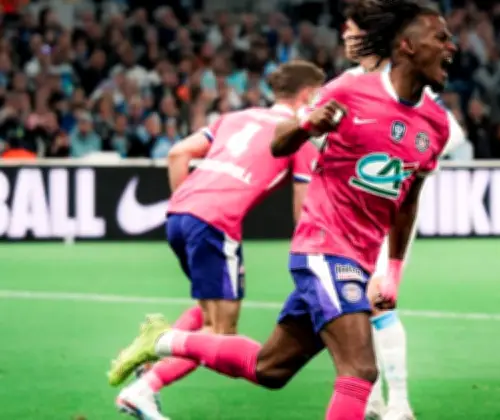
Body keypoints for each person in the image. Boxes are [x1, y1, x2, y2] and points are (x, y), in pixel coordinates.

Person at [107, 2, 456, 419]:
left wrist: (394, 269)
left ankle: (163, 340)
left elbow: (408, 198)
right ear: (407, 46)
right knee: (360, 369)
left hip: (360, 258)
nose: (451, 47)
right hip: (325, 248)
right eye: (441, 38)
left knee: (269, 368)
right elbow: (280, 142)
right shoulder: (350, 89)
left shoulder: (437, 124)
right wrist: (308, 125)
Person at [112, 60, 325, 420]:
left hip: (179, 216)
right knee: (220, 333)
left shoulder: (236, 117)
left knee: (206, 311)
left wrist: (189, 205)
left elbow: (178, 153)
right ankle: (144, 388)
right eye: (319, 95)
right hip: (215, 223)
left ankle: (150, 365)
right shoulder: (299, 135)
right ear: (306, 95)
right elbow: (303, 208)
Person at [335, 3, 468, 418]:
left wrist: (400, 157)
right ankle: (373, 399)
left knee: (378, 301)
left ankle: (400, 402)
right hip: (348, 213)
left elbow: (453, 133)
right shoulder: (350, 83)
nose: (344, 36)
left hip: (388, 213)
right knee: (354, 306)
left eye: (351, 30)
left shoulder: (403, 81)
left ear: (370, 35)